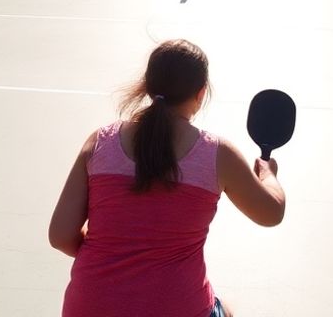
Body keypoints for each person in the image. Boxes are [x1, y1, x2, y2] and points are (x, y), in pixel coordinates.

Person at [49, 39, 286, 317]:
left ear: (148, 85)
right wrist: (269, 177)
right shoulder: (217, 154)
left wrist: (114, 250)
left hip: (88, 307)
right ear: (201, 93)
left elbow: (60, 236)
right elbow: (271, 213)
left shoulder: (100, 142)